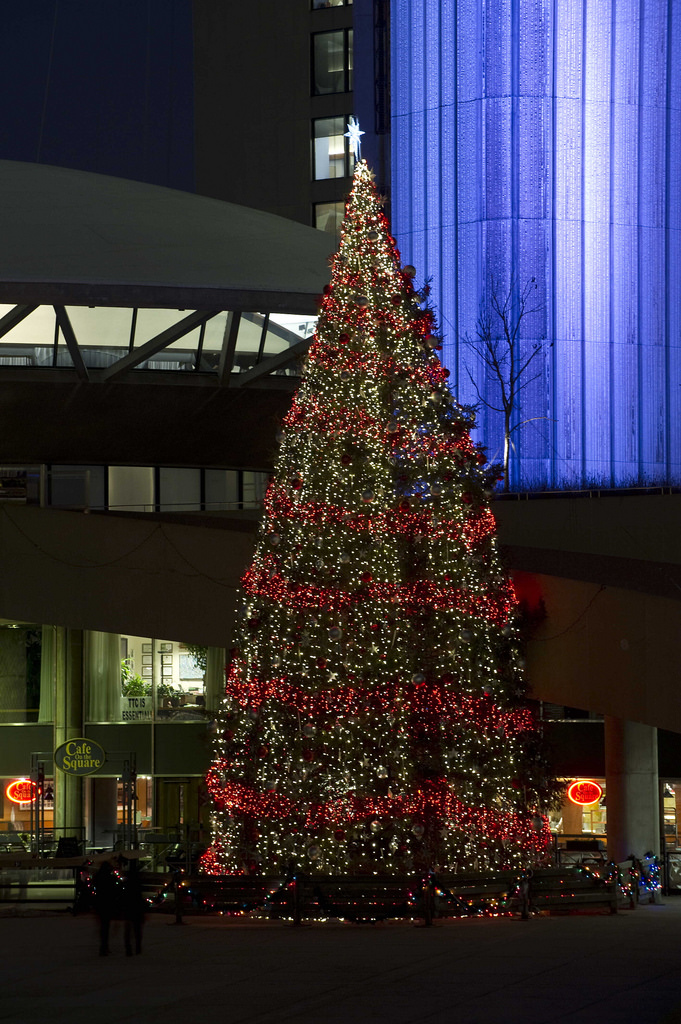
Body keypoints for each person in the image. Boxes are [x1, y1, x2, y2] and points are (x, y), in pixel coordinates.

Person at [92, 861, 121, 956]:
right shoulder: (110, 878)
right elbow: (115, 890)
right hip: (108, 903)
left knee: (103, 926)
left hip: (100, 903)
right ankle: (104, 946)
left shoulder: (97, 877)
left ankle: (103, 946)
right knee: (105, 926)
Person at [122, 859, 146, 956]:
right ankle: (137, 947)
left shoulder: (127, 881)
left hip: (129, 907)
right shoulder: (137, 881)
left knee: (128, 930)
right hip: (136, 907)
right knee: (137, 929)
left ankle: (128, 948)